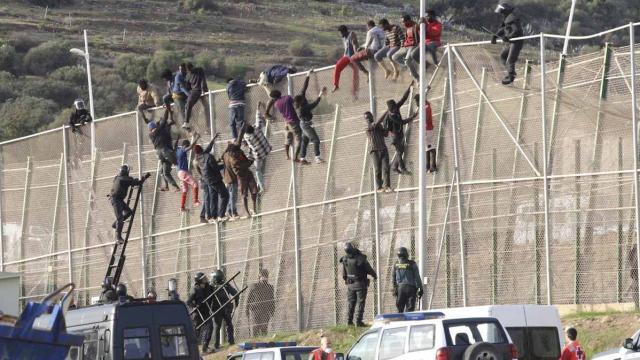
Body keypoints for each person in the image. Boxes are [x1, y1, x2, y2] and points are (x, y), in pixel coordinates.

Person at [223, 127, 258, 218]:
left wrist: (242, 127)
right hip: (241, 177)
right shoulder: (233, 159)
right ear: (232, 152)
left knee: (254, 191)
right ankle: (246, 212)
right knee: (244, 195)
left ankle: (254, 209)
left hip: (248, 173)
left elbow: (239, 140)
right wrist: (250, 161)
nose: (238, 153)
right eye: (236, 152)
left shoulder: (238, 151)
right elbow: (244, 165)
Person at [340, 242, 377, 326]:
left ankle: (349, 321)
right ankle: (358, 321)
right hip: (360, 284)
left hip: (350, 285)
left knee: (351, 303)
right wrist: (374, 275)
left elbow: (344, 274)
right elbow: (369, 269)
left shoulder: (345, 259)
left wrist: (347, 280)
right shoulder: (360, 259)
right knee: (360, 303)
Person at [109, 165, 149, 243]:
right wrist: (144, 178)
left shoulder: (117, 177)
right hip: (116, 199)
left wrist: (135, 180)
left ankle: (115, 224)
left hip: (119, 199)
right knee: (120, 218)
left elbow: (131, 181)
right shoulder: (124, 179)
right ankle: (118, 238)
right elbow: (137, 183)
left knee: (129, 212)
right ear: (126, 172)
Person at [294, 69, 327, 164]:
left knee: (305, 140)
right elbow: (314, 104)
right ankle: (317, 157)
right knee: (316, 140)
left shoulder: (301, 98)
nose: (304, 98)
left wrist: (307, 75)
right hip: (306, 125)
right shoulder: (302, 108)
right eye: (303, 99)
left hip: (303, 124)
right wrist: (320, 94)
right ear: (300, 102)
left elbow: (304, 87)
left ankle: (302, 158)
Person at [385, 82, 418, 174]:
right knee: (399, 151)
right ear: (391, 110)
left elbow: (403, 99)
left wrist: (409, 87)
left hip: (399, 132)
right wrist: (413, 117)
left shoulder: (396, 108)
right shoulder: (391, 116)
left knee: (401, 150)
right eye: (394, 108)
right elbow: (402, 122)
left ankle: (395, 167)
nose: (396, 109)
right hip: (395, 136)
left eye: (396, 107)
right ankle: (402, 169)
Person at [266, 89, 304, 163]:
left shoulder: (276, 104)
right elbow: (295, 104)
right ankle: (295, 157)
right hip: (294, 122)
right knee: (299, 140)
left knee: (288, 138)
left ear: (274, 98)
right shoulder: (288, 97)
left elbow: (272, 102)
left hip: (286, 122)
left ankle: (287, 155)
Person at [491, 2, 524, 85]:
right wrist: (495, 36)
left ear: (505, 11)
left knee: (510, 60)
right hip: (510, 42)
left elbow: (517, 30)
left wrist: (508, 37)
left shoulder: (512, 18)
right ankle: (510, 72)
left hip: (516, 42)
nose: (501, 14)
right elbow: (503, 29)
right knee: (503, 56)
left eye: (501, 12)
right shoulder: (507, 18)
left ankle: (511, 76)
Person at [148, 108, 180, 192]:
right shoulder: (159, 130)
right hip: (165, 151)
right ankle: (183, 180)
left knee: (163, 172)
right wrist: (167, 109)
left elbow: (165, 124)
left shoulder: (151, 134)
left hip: (159, 153)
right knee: (178, 164)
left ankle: (170, 186)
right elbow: (165, 120)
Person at [243, 102, 272, 193]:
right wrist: (257, 108)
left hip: (259, 155)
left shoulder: (247, 137)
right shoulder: (257, 128)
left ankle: (262, 187)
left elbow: (248, 145)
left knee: (257, 170)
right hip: (267, 149)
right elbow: (258, 118)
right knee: (253, 149)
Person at [187, 272, 216, 354]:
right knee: (196, 331)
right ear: (199, 280)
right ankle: (192, 349)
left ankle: (205, 347)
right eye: (203, 278)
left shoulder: (209, 287)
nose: (205, 279)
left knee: (210, 327)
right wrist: (194, 306)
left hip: (206, 312)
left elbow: (214, 293)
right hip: (198, 313)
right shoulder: (195, 289)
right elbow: (188, 302)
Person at [192, 135, 218, 223]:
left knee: (208, 197)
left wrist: (213, 139)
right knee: (207, 197)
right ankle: (206, 216)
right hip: (204, 180)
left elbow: (208, 149)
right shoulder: (196, 161)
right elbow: (200, 173)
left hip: (205, 179)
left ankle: (205, 215)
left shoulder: (201, 156)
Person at [211, 270, 238, 350]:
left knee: (217, 326)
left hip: (218, 309)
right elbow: (235, 293)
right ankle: (231, 341)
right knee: (229, 324)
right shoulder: (225, 285)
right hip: (225, 307)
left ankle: (216, 345)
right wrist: (237, 302)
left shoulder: (212, 286)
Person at [365, 111, 391, 192]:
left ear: (372, 117)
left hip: (383, 149)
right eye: (366, 118)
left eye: (369, 117)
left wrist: (387, 126)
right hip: (375, 151)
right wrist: (386, 112)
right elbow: (377, 122)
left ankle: (387, 186)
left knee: (386, 168)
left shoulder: (378, 125)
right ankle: (379, 187)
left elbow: (385, 134)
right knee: (377, 170)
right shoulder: (368, 128)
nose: (368, 119)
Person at [392, 247, 424, 313]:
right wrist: (420, 288)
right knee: (410, 310)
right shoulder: (412, 264)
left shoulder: (395, 265)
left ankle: (400, 322)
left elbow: (393, 278)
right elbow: (417, 277)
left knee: (399, 310)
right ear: (406, 255)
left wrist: (394, 288)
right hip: (411, 289)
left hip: (400, 289)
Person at [332, 25, 361, 96]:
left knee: (356, 73)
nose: (340, 34)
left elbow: (354, 44)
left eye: (340, 33)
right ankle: (336, 85)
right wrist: (343, 56)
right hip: (347, 57)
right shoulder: (344, 38)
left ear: (344, 31)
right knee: (338, 66)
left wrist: (356, 54)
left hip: (352, 56)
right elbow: (346, 49)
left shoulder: (351, 34)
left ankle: (355, 90)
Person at [245, 269, 275, 337]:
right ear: (259, 277)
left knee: (264, 327)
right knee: (255, 326)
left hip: (265, 310)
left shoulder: (270, 287)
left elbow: (272, 299)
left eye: (265, 277)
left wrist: (272, 310)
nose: (264, 278)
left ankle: (264, 341)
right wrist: (246, 309)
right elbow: (248, 299)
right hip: (255, 309)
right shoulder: (254, 286)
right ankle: (255, 341)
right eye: (262, 277)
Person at [176, 134, 201, 211]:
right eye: (187, 146)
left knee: (185, 190)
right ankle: (195, 201)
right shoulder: (182, 150)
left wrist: (177, 139)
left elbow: (175, 146)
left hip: (179, 173)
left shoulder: (177, 150)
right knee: (195, 184)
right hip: (183, 172)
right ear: (185, 145)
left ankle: (182, 207)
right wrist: (196, 138)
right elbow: (189, 147)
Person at [413, 94, 437, 173]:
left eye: (416, 101)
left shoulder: (425, 108)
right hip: (427, 129)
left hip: (427, 130)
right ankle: (429, 166)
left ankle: (432, 166)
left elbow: (425, 119)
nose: (416, 104)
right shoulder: (426, 105)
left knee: (431, 147)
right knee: (428, 147)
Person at [392, 15, 420, 80]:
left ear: (408, 21)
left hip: (414, 46)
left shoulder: (416, 26)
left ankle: (417, 78)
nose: (402, 23)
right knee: (394, 57)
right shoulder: (407, 28)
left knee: (407, 61)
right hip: (407, 46)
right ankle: (409, 65)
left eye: (403, 22)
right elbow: (407, 38)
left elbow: (421, 36)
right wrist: (404, 44)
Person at [184, 63, 209, 129]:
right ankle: (192, 124)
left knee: (206, 108)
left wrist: (204, 89)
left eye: (189, 69)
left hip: (199, 91)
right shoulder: (188, 75)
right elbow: (187, 87)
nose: (189, 70)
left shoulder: (199, 70)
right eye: (188, 70)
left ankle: (208, 125)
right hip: (195, 92)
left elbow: (203, 79)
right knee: (190, 107)